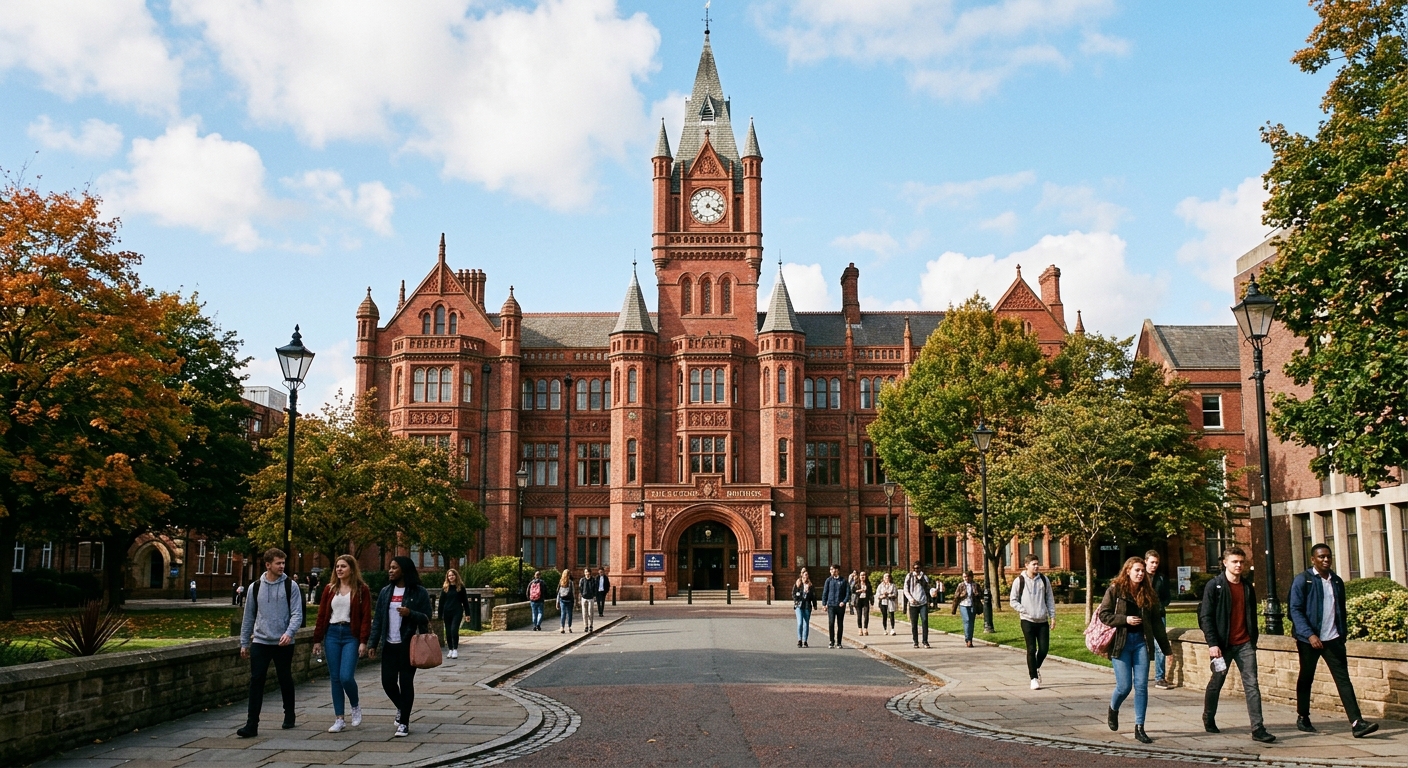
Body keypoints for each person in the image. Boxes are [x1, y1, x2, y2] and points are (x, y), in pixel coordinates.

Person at [1288, 544, 1378, 738]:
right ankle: (1303, 716)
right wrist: (1310, 635)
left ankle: (1357, 723)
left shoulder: (1336, 581)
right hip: (1308, 640)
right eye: (1321, 557)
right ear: (1313, 559)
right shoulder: (1303, 580)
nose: (1326, 560)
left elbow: (1340, 610)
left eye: (1328, 556)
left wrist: (1341, 636)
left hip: (1333, 640)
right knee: (1306, 677)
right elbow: (1294, 610)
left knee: (1343, 680)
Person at [1199, 546, 1275, 743]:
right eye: (1234, 561)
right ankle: (1208, 717)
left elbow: (1249, 615)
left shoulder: (1247, 587)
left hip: (1245, 644)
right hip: (1222, 646)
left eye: (1241, 562)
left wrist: (1253, 639)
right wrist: (1212, 643)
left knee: (1252, 685)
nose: (1239, 565)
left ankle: (1258, 728)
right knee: (1217, 682)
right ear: (1225, 563)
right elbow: (1205, 617)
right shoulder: (1214, 586)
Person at [1099, 557, 1171, 744]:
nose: (1140, 573)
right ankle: (1113, 708)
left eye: (1142, 571)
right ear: (1128, 570)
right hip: (1121, 643)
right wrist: (1125, 619)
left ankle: (1140, 727)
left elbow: (1156, 623)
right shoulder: (1115, 590)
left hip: (1141, 643)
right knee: (1124, 687)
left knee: (1141, 687)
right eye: (1136, 570)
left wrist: (1166, 650)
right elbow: (1104, 614)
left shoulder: (1149, 593)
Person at [236, 548, 304, 738]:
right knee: (256, 680)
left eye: (283, 563)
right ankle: (252, 724)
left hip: (283, 642)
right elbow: (248, 616)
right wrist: (244, 643)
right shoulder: (255, 587)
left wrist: (289, 633)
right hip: (261, 640)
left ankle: (289, 714)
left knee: (285, 678)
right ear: (268, 565)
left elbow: (297, 614)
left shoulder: (291, 586)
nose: (282, 566)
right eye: (278, 563)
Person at [368, 556, 432, 738]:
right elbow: (378, 620)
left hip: (408, 644)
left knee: (405, 683)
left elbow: (427, 616)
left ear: (403, 570)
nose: (390, 570)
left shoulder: (419, 592)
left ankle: (404, 722)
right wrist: (373, 643)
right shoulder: (385, 592)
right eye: (389, 567)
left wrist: (410, 613)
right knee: (387, 682)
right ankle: (402, 708)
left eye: (394, 567)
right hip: (389, 644)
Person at [312, 555, 371, 733]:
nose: (339, 569)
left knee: (346, 676)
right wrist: (317, 640)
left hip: (350, 635)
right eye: (337, 566)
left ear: (351, 569)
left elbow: (366, 617)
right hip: (332, 634)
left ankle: (355, 705)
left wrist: (363, 641)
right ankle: (339, 718)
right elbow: (322, 615)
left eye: (343, 566)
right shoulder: (330, 589)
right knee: (335, 678)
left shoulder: (361, 590)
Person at [1011, 555, 1056, 690]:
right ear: (1026, 565)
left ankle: (1034, 667)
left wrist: (1052, 617)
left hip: (1042, 620)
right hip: (1027, 620)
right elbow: (1013, 600)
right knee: (1031, 649)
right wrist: (1023, 610)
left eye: (1037, 564)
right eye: (1033, 564)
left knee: (1043, 649)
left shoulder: (1044, 580)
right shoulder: (1019, 580)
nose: (1036, 566)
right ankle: (1033, 678)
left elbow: (1049, 599)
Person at [1145, 551, 1174, 689]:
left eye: (1156, 563)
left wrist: (1160, 606)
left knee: (1160, 645)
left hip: (1159, 615)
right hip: (1142, 616)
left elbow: (1167, 597)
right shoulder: (1139, 576)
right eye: (1152, 562)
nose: (1154, 565)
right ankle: (1140, 675)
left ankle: (1160, 677)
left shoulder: (1162, 578)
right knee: (1142, 646)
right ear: (1146, 561)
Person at [439, 569, 470, 659]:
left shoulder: (460, 587)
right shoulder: (445, 588)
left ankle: (455, 649)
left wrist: (467, 614)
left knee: (454, 630)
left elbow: (465, 602)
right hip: (447, 611)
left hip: (457, 611)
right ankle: (450, 649)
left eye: (452, 575)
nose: (451, 577)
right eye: (449, 576)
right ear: (447, 577)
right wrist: (439, 615)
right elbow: (441, 602)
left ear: (456, 576)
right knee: (448, 631)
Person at [821, 565, 850, 648]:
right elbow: (825, 592)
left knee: (840, 624)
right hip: (831, 605)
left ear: (837, 570)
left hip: (840, 606)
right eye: (831, 569)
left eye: (833, 569)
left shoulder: (843, 581)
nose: (832, 571)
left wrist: (844, 602)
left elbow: (848, 593)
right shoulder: (828, 580)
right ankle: (831, 641)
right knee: (831, 623)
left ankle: (839, 642)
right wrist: (824, 604)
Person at [903, 562, 930, 649]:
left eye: (918, 568)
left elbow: (928, 588)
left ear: (920, 568)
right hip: (913, 604)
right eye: (914, 568)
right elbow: (905, 590)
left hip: (923, 603)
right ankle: (915, 641)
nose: (916, 570)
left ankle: (925, 641)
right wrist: (911, 599)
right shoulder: (909, 576)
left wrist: (933, 593)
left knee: (925, 621)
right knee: (914, 623)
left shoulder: (924, 577)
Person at [951, 570, 980, 647]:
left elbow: (980, 594)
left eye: (967, 577)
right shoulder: (961, 585)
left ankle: (970, 639)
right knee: (967, 620)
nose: (966, 578)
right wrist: (954, 608)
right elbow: (956, 597)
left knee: (971, 622)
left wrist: (977, 594)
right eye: (964, 577)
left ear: (971, 577)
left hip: (972, 605)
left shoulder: (975, 585)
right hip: (963, 605)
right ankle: (968, 639)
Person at [793, 569, 816, 647]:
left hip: (807, 606)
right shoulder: (798, 584)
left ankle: (805, 641)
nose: (806, 576)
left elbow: (813, 596)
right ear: (802, 575)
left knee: (806, 624)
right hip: (799, 606)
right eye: (805, 574)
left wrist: (815, 605)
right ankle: (799, 640)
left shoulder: (810, 585)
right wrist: (796, 600)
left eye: (807, 574)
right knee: (800, 623)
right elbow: (793, 593)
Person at [577, 568, 597, 633]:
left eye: (588, 572)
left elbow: (595, 589)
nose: (587, 573)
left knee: (590, 612)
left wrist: (594, 596)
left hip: (591, 598)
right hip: (584, 598)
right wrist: (580, 598)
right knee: (584, 613)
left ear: (590, 573)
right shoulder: (582, 580)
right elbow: (580, 589)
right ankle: (586, 626)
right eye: (585, 572)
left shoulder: (593, 580)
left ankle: (591, 625)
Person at [854, 571, 872, 636]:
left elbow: (870, 593)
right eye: (861, 575)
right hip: (858, 601)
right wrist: (859, 591)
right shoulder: (856, 583)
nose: (862, 576)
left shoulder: (868, 584)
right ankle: (860, 629)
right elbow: (853, 591)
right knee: (859, 616)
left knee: (866, 615)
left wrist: (871, 600)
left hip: (865, 600)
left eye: (864, 575)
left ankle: (865, 629)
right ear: (859, 576)